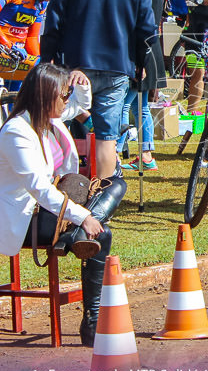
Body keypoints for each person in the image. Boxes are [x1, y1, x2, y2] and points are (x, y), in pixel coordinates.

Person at [0, 63, 125, 346]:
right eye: (63, 95)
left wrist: (79, 84)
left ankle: (76, 236)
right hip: (27, 217)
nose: (67, 102)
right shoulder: (17, 132)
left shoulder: (47, 120)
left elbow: (80, 106)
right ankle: (93, 321)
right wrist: (83, 217)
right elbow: (39, 188)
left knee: (117, 182)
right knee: (102, 233)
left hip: (51, 206)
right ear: (45, 96)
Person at [40, 0, 156, 179]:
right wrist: (140, 64)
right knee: (107, 138)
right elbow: (147, 31)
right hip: (116, 68)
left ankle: (59, 195)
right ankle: (100, 202)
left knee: (58, 125)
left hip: (74, 67)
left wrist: (46, 59)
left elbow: (54, 22)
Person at [118, 0, 166, 171]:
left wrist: (142, 60)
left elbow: (149, 27)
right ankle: (146, 155)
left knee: (126, 103)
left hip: (145, 52)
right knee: (139, 106)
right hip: (140, 51)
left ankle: (116, 151)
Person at [0, 0, 66, 82]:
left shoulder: (42, 3)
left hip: (15, 56)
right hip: (5, 48)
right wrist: (8, 44)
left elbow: (32, 37)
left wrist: (42, 63)